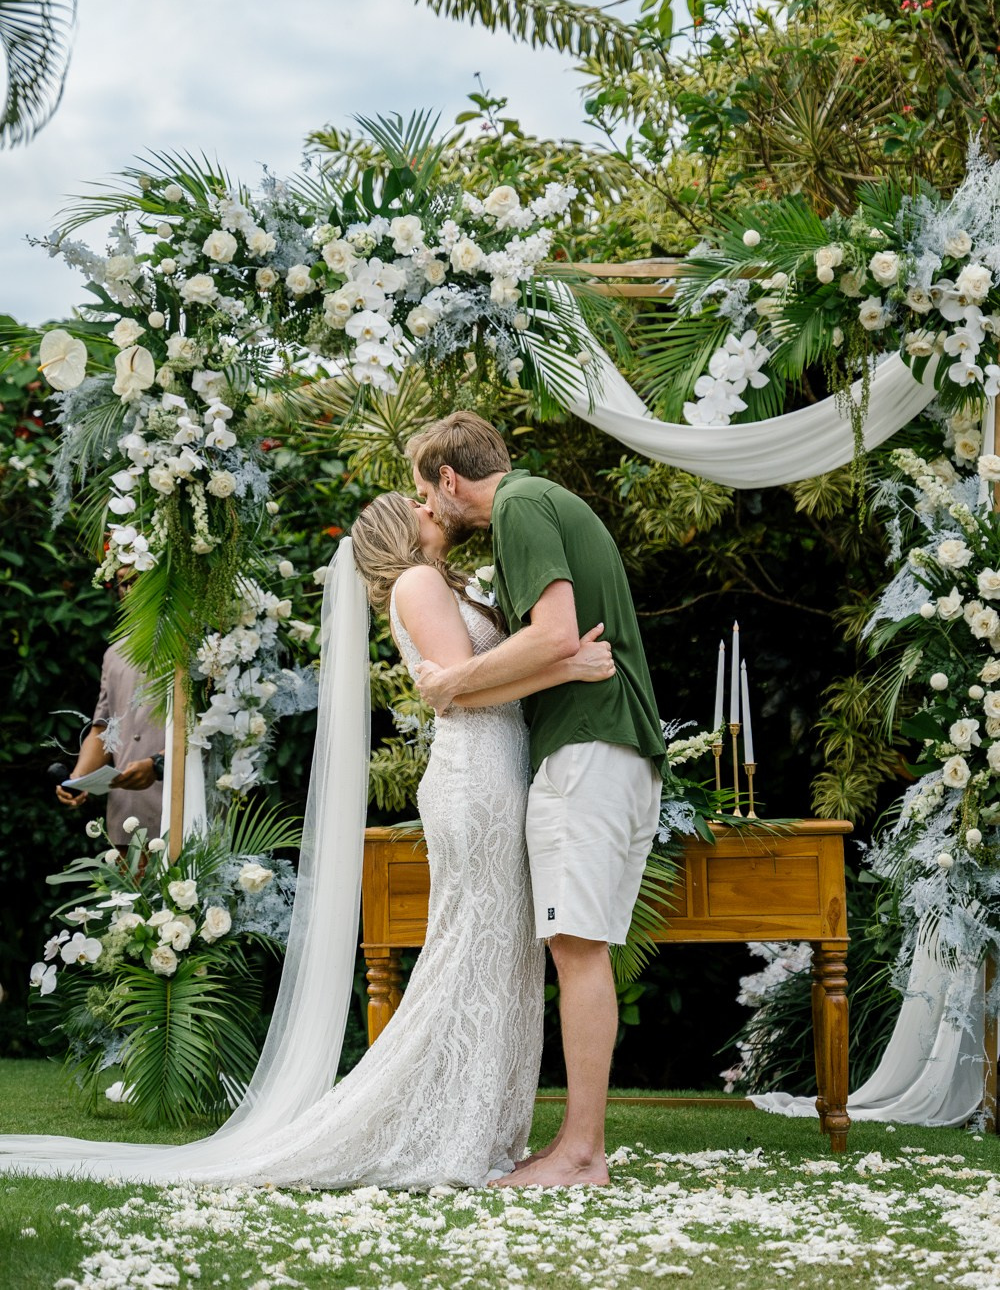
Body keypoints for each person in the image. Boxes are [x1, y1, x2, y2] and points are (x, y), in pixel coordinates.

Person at [0, 494, 613, 1188]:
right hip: (475, 775)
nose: (426, 502)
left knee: (497, 951)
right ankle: (450, 1127)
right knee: (473, 947)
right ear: (395, 532)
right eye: (411, 501)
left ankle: (480, 1126)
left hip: (495, 770)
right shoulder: (417, 583)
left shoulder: (446, 583)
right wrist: (566, 667)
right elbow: (455, 694)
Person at [407, 412, 665, 1188]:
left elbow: (555, 636)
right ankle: (573, 1145)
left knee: (576, 948)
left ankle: (583, 1155)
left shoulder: (519, 506)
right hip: (611, 749)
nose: (426, 506)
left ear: (450, 480)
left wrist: (450, 682)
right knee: (580, 946)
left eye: (425, 490)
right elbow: (564, 645)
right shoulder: (545, 500)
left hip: (587, 751)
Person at [57, 641, 165, 851]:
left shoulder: (200, 646)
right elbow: (102, 730)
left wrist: (158, 764)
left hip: (185, 813)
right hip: (126, 817)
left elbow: (207, 730)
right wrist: (78, 779)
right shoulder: (114, 653)